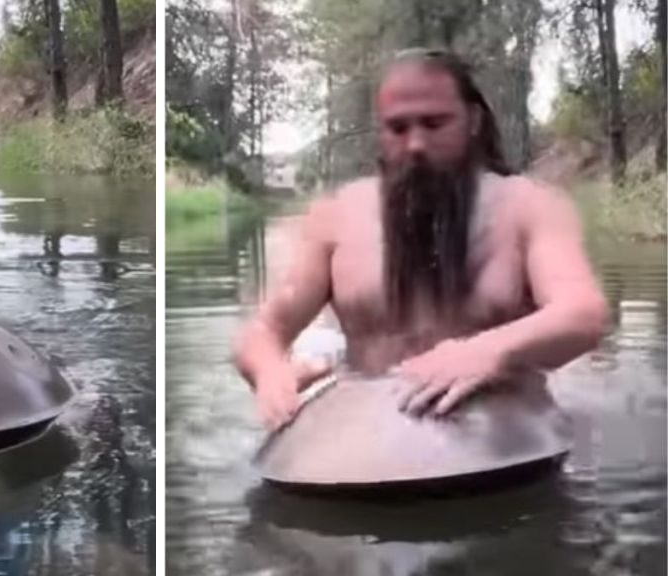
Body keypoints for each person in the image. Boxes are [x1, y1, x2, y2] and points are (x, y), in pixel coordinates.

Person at [233, 48, 609, 430]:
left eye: (434, 124)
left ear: (473, 120)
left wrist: (487, 350)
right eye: (398, 128)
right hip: (371, 446)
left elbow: (583, 314)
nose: (414, 144)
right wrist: (270, 372)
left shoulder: (531, 205)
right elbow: (265, 331)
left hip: (509, 447)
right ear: (381, 133)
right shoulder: (335, 217)